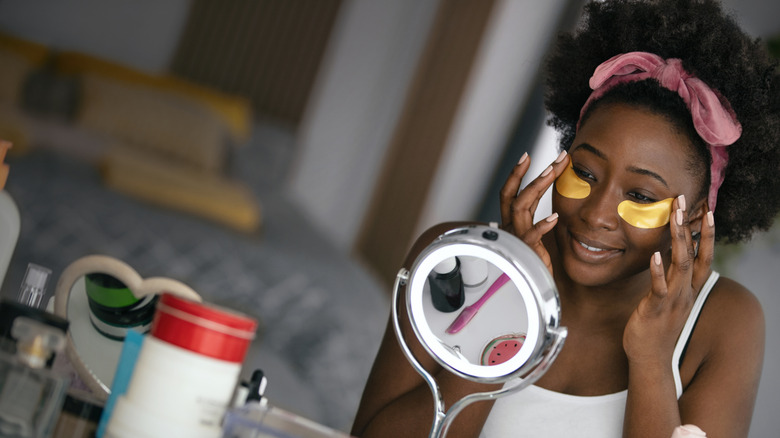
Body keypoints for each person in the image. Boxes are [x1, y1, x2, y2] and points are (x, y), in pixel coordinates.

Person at [351, 0, 780, 437]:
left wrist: (652, 360)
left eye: (639, 194)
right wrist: (507, 301)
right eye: (586, 173)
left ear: (692, 221)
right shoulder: (454, 260)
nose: (595, 213)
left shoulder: (723, 321)